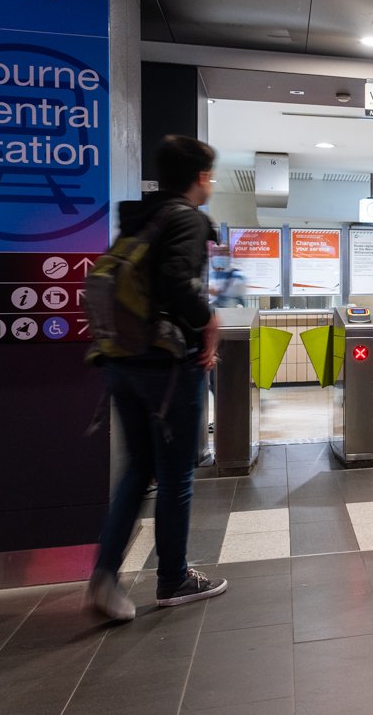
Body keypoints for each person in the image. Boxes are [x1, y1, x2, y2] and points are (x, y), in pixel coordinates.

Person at [83, 135, 228, 622]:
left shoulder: (139, 219)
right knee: (176, 473)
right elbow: (176, 281)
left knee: (138, 468)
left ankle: (104, 576)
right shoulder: (186, 218)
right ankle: (173, 578)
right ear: (201, 177)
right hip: (167, 365)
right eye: (210, 175)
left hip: (122, 361)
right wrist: (208, 321)